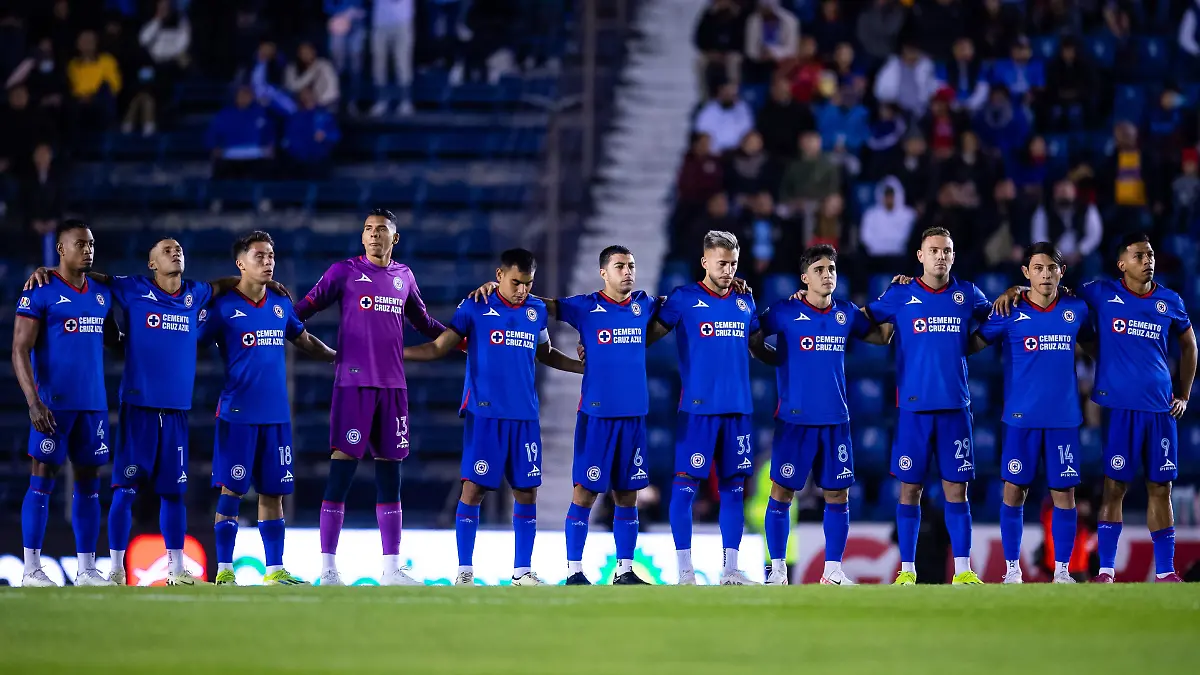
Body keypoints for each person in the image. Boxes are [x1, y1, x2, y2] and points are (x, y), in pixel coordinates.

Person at [24, 240, 288, 585]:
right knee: (125, 489)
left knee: (174, 492)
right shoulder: (132, 288)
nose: (175, 252)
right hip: (139, 407)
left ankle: (177, 569)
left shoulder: (196, 293)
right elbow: (92, 277)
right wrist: (51, 272)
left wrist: (261, 282)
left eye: (178, 248)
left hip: (177, 410)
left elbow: (224, 284)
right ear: (151, 264)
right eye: (165, 250)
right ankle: (116, 567)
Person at [995, 233, 1197, 582]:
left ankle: (1166, 571)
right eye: (1139, 256)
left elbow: (1189, 345)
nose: (1148, 260)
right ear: (1122, 264)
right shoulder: (1099, 292)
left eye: (1150, 255)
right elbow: (1049, 284)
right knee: (1113, 486)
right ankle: (1104, 571)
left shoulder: (1170, 300)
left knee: (1160, 488)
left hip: (1161, 410)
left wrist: (1184, 394)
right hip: (1118, 409)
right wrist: (1015, 290)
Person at [402, 249, 584, 586]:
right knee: (474, 490)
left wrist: (582, 367)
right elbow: (440, 346)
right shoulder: (475, 306)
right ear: (499, 274)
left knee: (527, 491)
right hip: (485, 414)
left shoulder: (536, 311)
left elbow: (545, 354)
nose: (522, 290)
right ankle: (465, 572)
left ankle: (522, 571)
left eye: (528, 284)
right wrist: (395, 355)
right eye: (516, 282)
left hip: (525, 417)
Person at [293, 208, 449, 587]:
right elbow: (302, 310)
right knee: (340, 474)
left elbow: (425, 325)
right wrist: (282, 328)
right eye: (368, 229)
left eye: (382, 230)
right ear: (362, 237)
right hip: (353, 387)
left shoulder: (404, 277)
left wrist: (463, 338)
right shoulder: (343, 272)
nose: (375, 235)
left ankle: (392, 570)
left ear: (395, 239)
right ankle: (328, 569)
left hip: (394, 388)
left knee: (390, 478)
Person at [200, 232, 336, 586]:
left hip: (276, 416)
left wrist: (339, 357)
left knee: (273, 492)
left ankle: (274, 570)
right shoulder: (221, 306)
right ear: (240, 263)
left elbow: (304, 340)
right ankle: (225, 569)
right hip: (237, 414)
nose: (268, 261)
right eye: (259, 255)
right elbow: (189, 340)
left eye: (271, 255)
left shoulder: (280, 303)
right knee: (232, 490)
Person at [866, 227, 992, 585]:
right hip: (913, 410)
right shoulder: (901, 293)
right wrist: (888, 331)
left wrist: (972, 344)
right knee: (910, 489)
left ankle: (964, 571)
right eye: (934, 250)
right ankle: (907, 571)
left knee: (957, 490)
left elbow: (998, 322)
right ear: (920, 255)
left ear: (953, 256)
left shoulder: (967, 294)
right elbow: (863, 321)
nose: (941, 256)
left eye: (947, 250)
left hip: (955, 408)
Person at [760, 245, 892, 585]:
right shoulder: (785, 311)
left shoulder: (846, 313)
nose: (827, 274)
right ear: (805, 278)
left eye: (831, 268)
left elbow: (880, 336)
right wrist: (775, 357)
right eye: (819, 269)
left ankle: (832, 570)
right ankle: (776, 570)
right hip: (794, 420)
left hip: (836, 420)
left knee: (838, 495)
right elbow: (755, 334)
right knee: (782, 493)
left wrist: (896, 303)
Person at [652, 231, 775, 585]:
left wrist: (790, 359)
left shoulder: (744, 302)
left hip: (738, 410)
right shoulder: (683, 299)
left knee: (735, 488)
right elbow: (645, 336)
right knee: (685, 487)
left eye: (733, 263)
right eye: (721, 263)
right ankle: (685, 571)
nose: (728, 270)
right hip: (698, 411)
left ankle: (731, 569)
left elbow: (758, 348)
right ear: (704, 261)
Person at [972, 243, 1092, 584]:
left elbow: (1096, 343)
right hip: (1021, 420)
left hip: (1063, 420)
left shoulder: (1076, 308)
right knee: (1014, 491)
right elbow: (975, 343)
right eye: (1037, 268)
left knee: (1064, 495)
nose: (1045, 274)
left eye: (1051, 268)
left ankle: (1064, 571)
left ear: (1061, 272)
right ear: (1026, 272)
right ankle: (1012, 569)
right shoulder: (1009, 311)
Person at [14, 220, 118, 587]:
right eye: (80, 244)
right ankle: (30, 569)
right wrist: (33, 401)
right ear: (61, 248)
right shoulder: (39, 291)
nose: (88, 250)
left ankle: (87, 569)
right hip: (53, 405)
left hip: (93, 405)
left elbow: (113, 339)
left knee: (90, 484)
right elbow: (19, 349)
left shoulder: (103, 292)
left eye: (91, 244)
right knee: (42, 480)